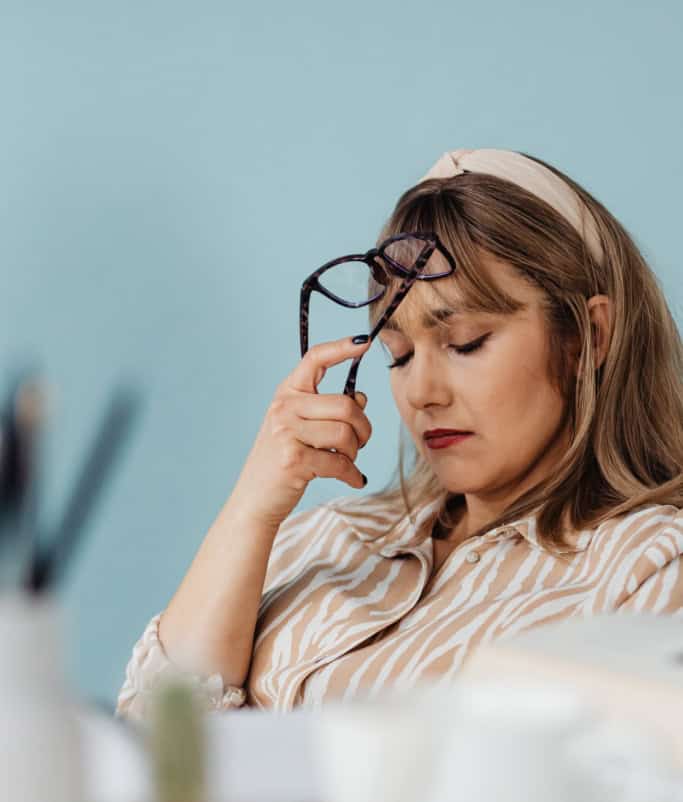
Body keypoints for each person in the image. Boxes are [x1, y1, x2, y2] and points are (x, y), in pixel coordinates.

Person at [117, 147, 683, 721]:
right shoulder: (324, 539)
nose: (422, 393)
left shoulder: (650, 567)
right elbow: (153, 746)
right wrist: (252, 507)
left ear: (588, 335)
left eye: (465, 344)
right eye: (400, 355)